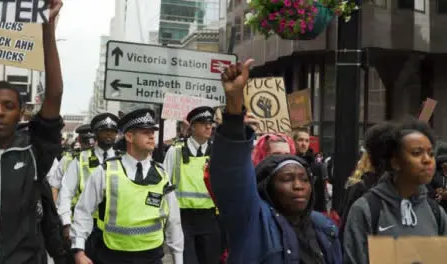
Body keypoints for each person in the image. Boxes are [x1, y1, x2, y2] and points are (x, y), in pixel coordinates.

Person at [209, 59, 342, 264]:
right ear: (268, 185)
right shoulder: (253, 220)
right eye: (287, 179)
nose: (298, 186)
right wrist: (235, 104)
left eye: (304, 179)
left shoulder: (324, 227)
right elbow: (230, 172)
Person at [0, 0, 66, 263]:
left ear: (21, 112)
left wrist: (47, 28)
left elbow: (55, 93)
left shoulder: (34, 151)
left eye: (8, 106)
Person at [71, 108, 184, 264]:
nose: (152, 136)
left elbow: (174, 221)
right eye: (145, 132)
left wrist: (178, 259)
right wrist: (79, 251)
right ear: (129, 136)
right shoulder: (105, 172)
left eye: (152, 131)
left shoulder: (162, 175)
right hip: (112, 256)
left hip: (152, 257)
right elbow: (83, 211)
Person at [344, 119, 447, 264]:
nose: (427, 160)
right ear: (395, 162)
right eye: (417, 153)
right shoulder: (366, 209)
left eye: (430, 154)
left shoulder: (436, 213)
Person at [163, 106, 221, 264]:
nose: (209, 126)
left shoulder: (217, 152)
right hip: (183, 219)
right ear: (192, 126)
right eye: (203, 123)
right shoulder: (175, 151)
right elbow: (165, 184)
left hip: (211, 218)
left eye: (210, 123)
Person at [57, 113, 119, 246]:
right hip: (85, 227)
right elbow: (66, 192)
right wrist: (66, 223)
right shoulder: (80, 159)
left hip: (114, 230)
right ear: (96, 133)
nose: (109, 134)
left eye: (112, 131)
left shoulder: (123, 159)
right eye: (104, 131)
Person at [49, 124, 94, 201]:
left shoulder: (105, 158)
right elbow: (55, 186)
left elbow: (55, 187)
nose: (88, 144)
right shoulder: (67, 159)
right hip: (69, 210)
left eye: (89, 141)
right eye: (85, 141)